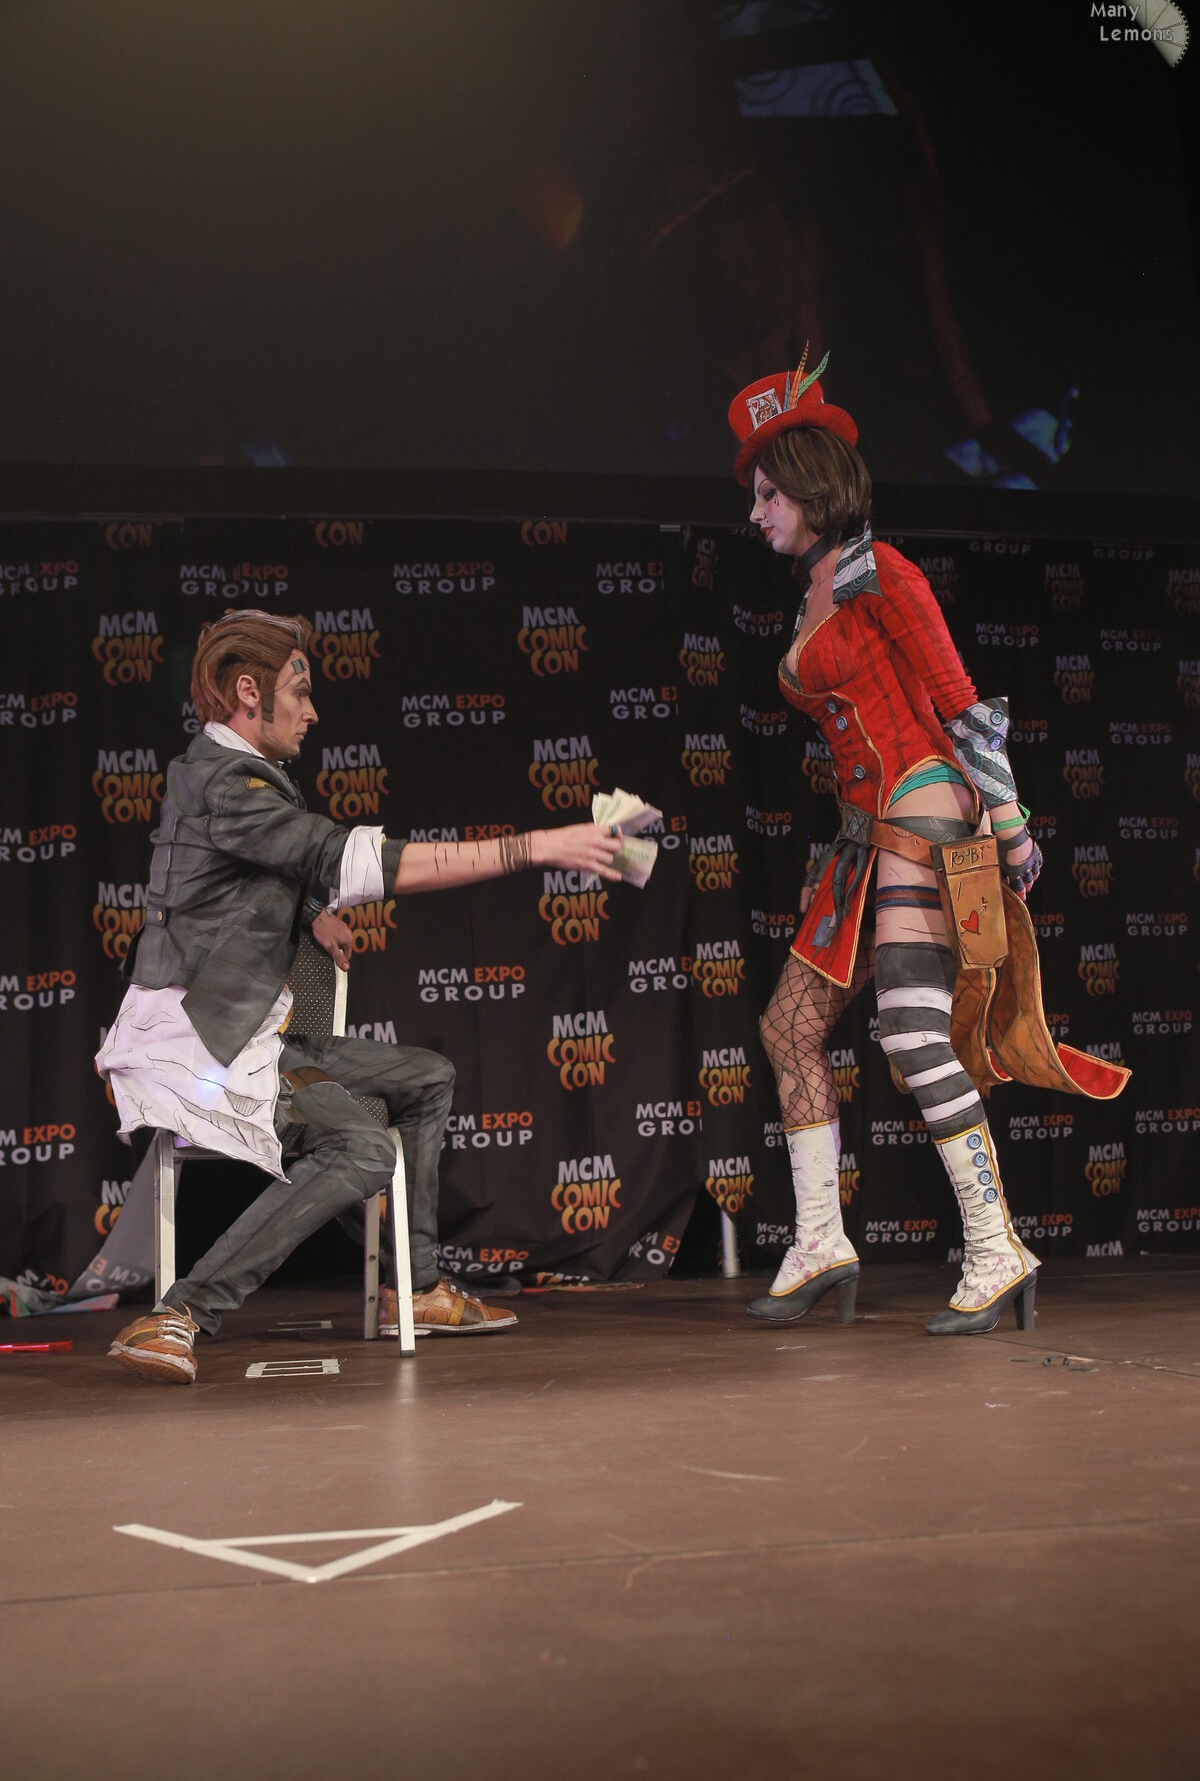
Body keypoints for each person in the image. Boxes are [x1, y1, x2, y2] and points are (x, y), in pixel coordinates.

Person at [97, 609, 624, 1383]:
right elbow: (344, 856)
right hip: (198, 1050)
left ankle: (416, 1286)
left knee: (427, 1077)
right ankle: (179, 1312)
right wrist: (535, 847)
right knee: (364, 1147)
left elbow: (224, 875)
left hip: (249, 1036)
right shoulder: (226, 781)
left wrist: (312, 912)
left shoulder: (224, 774)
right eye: (299, 692)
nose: (312, 711)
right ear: (248, 693)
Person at [726, 354, 1123, 1336]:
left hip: (924, 811)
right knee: (788, 1030)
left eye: (769, 493)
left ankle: (995, 1247)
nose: (756, 513)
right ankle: (821, 1242)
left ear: (813, 487)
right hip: (864, 838)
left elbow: (961, 704)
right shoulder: (816, 590)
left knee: (910, 1033)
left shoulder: (883, 574)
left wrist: (1014, 831)